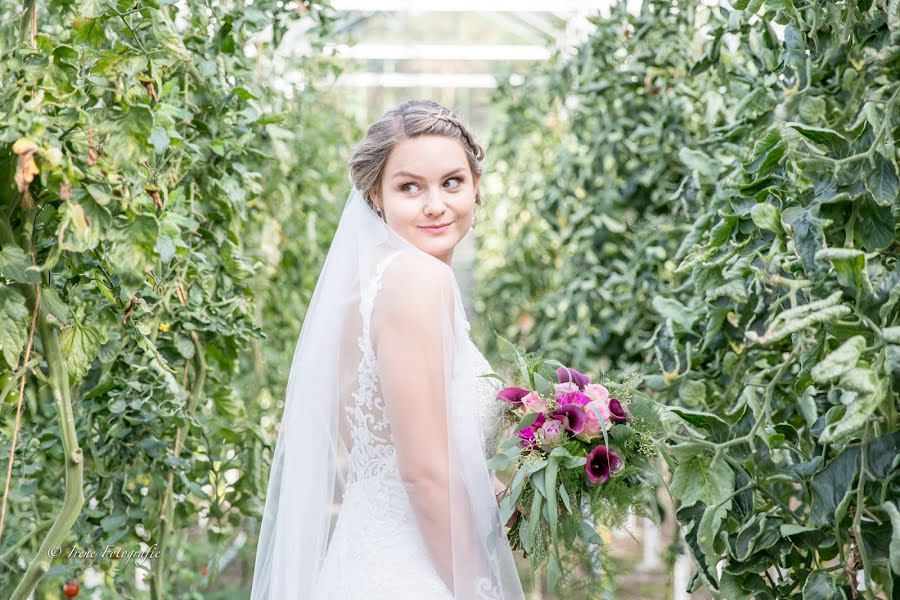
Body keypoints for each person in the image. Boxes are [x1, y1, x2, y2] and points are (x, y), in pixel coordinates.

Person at [249, 99, 526, 600]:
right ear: (376, 196)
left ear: (476, 186)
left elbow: (379, 448)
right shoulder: (418, 280)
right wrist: (476, 586)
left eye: (452, 182)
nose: (436, 204)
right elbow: (421, 475)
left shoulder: (360, 287)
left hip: (361, 561)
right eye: (409, 187)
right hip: (416, 575)